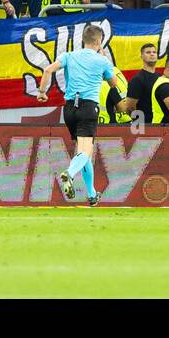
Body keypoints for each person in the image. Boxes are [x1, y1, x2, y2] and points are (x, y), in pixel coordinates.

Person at [35, 23, 128, 205]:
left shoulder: (69, 56)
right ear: (99, 41)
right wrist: (104, 57)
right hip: (88, 107)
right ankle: (69, 173)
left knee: (84, 152)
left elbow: (47, 70)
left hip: (69, 108)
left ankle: (92, 195)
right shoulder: (101, 60)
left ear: (83, 40)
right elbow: (113, 83)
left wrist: (41, 92)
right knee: (85, 151)